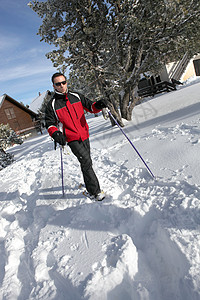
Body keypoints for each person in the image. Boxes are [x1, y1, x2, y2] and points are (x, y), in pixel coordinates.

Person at [45, 72, 108, 201]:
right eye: (58, 84)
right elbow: (50, 124)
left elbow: (91, 107)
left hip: (84, 134)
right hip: (71, 138)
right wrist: (56, 133)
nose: (62, 85)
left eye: (63, 82)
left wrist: (99, 105)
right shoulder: (52, 104)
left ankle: (89, 185)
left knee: (86, 163)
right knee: (86, 161)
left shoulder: (76, 96)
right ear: (54, 86)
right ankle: (95, 192)